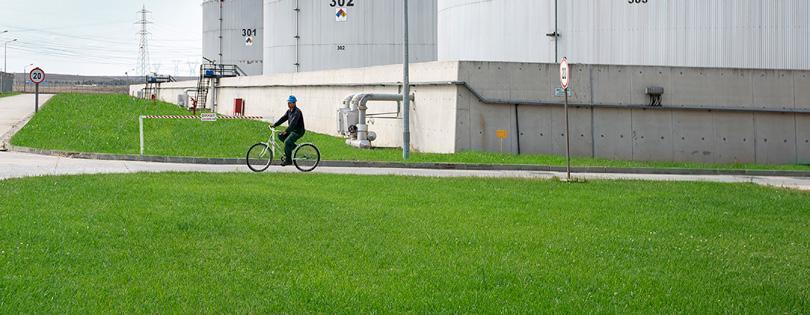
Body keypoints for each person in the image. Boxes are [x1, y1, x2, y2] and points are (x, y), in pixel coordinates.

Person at [272, 95, 306, 166]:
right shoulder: (289, 111)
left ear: (294, 103)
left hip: (298, 131)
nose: (288, 104)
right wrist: (275, 124)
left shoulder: (297, 112)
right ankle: (293, 147)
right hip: (292, 130)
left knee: (287, 142)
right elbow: (283, 118)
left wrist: (286, 131)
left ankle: (288, 161)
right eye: (288, 103)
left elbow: (293, 123)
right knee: (280, 136)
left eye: (290, 103)